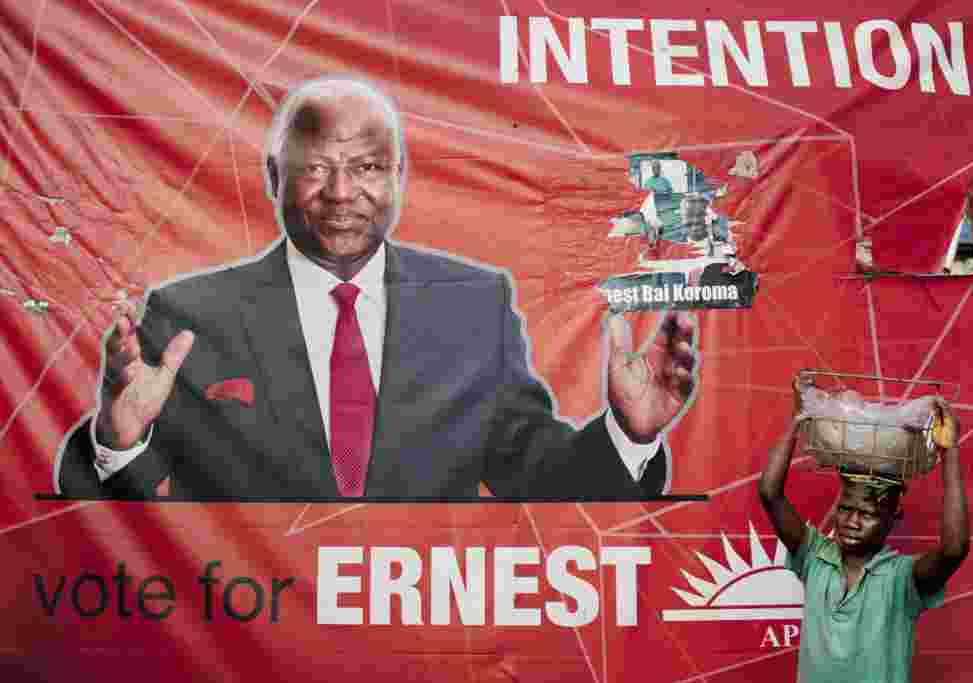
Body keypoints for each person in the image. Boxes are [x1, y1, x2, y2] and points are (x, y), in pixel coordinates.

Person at [54, 75, 699, 501]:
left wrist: (628, 436)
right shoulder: (190, 316)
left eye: (366, 168)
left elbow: (535, 474)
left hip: (423, 646)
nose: (341, 194)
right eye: (316, 170)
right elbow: (113, 533)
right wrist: (116, 441)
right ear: (275, 177)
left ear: (400, 176)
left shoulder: (474, 307)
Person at [758, 380, 969, 682]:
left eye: (867, 514)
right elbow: (769, 492)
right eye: (845, 509)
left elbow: (953, 549)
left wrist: (950, 453)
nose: (851, 522)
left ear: (892, 517)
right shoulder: (815, 557)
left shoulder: (901, 578)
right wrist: (798, 421)